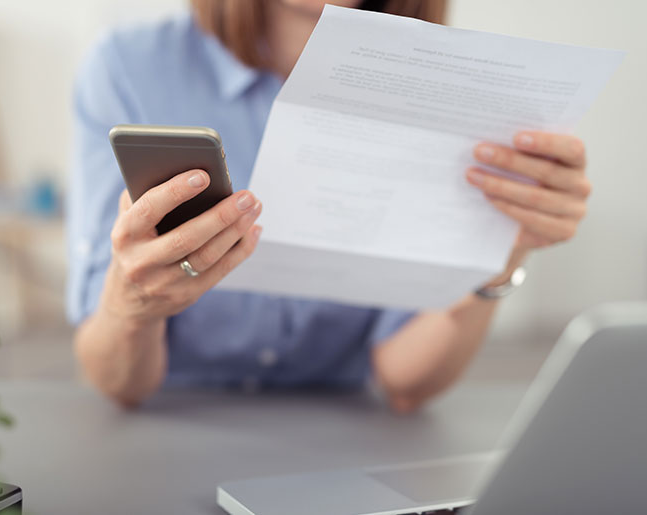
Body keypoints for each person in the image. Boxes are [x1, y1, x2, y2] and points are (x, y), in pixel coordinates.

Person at [67, 0, 591, 412]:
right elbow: (116, 382)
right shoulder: (128, 69)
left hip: (347, 437)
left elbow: (406, 381)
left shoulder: (444, 88)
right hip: (166, 423)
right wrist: (129, 305)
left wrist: (503, 247)